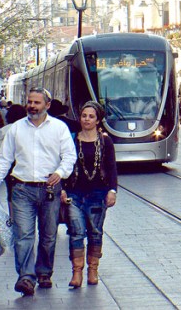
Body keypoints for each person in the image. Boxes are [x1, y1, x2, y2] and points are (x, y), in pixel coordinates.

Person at [0, 87, 77, 296]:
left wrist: (60, 172)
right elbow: (5, 159)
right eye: (30, 102)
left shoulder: (59, 128)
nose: (32, 106)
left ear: (47, 105)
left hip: (50, 189)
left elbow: (69, 156)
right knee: (23, 235)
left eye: (37, 102)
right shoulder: (17, 129)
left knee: (48, 235)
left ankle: (44, 272)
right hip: (22, 188)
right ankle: (26, 277)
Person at [60, 101, 117, 288]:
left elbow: (112, 168)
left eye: (91, 116)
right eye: (84, 115)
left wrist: (112, 190)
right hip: (74, 193)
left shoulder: (106, 141)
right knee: (76, 232)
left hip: (98, 194)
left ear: (98, 120)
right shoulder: (72, 139)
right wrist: (62, 188)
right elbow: (63, 164)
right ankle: (77, 273)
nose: (87, 119)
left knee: (95, 232)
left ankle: (93, 270)